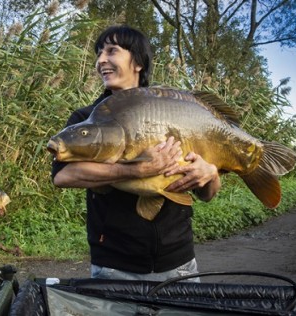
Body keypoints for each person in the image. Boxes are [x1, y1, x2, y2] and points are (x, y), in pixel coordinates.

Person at [51, 25, 221, 282]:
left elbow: (207, 194)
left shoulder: (175, 109)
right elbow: (62, 176)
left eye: (112, 51)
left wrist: (211, 173)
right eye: (98, 53)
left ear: (138, 62)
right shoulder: (86, 119)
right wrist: (137, 170)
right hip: (114, 264)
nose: (101, 61)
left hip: (179, 262)